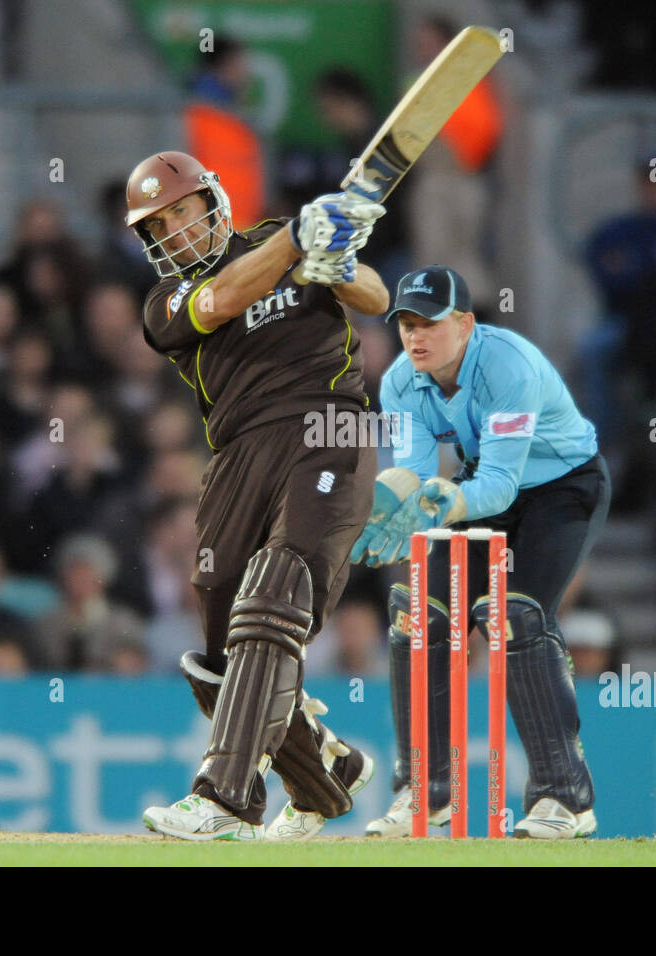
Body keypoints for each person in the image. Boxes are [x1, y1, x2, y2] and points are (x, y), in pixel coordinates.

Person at [127, 150, 389, 840]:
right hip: (238, 453)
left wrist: (334, 262)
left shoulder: (279, 241)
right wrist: (297, 241)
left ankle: (225, 800)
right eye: (157, 227)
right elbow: (220, 299)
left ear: (213, 202)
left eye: (180, 212)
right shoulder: (165, 302)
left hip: (326, 424)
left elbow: (377, 299)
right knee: (218, 657)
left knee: (276, 591)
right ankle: (326, 775)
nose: (173, 232)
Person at [351, 265, 611, 839]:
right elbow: (414, 474)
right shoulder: (400, 382)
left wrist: (439, 501)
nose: (416, 337)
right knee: (415, 615)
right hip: (477, 489)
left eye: (431, 324)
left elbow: (499, 484)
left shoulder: (507, 366)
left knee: (515, 614)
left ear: (466, 324)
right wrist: (382, 505)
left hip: (563, 488)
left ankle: (564, 799)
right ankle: (425, 791)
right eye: (407, 324)